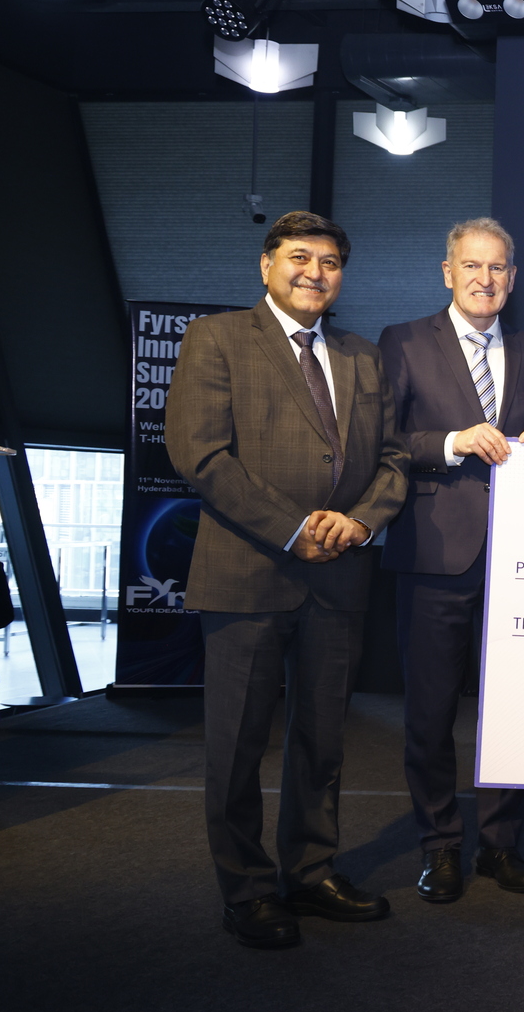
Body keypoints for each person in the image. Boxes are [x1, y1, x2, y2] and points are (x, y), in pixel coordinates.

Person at [167, 212, 409, 949]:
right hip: (247, 572)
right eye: (300, 257)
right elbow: (200, 455)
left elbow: (394, 458)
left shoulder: (364, 357)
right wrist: (294, 527)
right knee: (237, 744)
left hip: (339, 575)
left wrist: (360, 521)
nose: (315, 272)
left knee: (322, 740)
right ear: (266, 265)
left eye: (330, 262)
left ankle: (310, 871)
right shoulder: (216, 339)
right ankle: (245, 889)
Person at [380, 217, 524, 904]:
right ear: (447, 272)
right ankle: (439, 846)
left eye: (498, 268)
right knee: (429, 715)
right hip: (434, 554)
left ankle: (501, 845)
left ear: (513, 278)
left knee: (511, 712)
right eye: (472, 266)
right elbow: (383, 440)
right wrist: (453, 441)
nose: (486, 279)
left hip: (521, 561)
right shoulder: (403, 341)